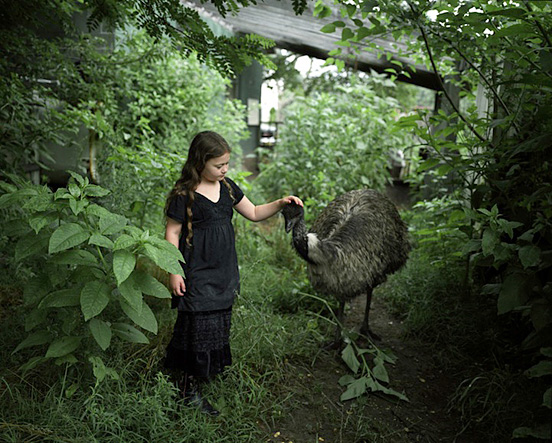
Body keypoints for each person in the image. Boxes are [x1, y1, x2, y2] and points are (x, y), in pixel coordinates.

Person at [163, 131, 302, 416]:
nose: (224, 169)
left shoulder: (227, 188)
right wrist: (173, 270)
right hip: (196, 270)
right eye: (218, 165)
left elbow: (252, 212)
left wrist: (279, 204)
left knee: (217, 320)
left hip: (223, 270)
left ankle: (207, 372)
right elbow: (173, 232)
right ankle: (188, 389)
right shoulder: (184, 194)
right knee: (196, 325)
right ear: (200, 162)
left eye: (226, 164)